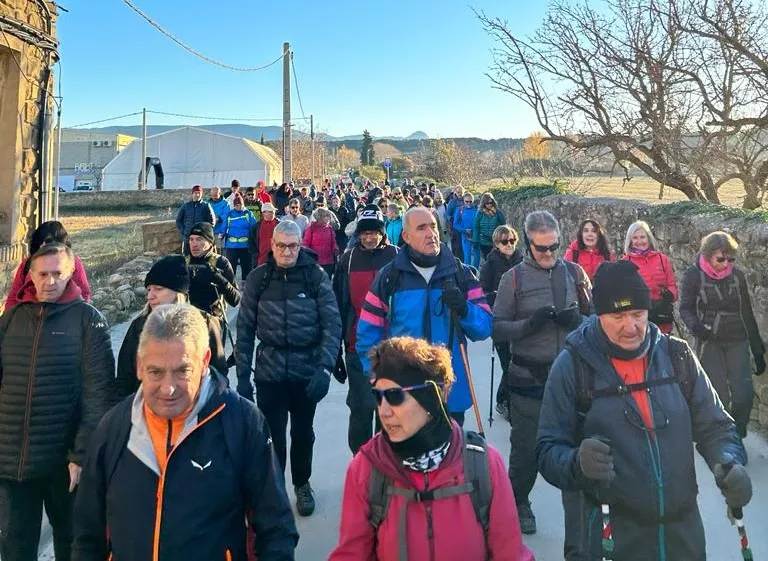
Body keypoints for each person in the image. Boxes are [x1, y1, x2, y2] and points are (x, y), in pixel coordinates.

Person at [536, 260, 751, 560]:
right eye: (618, 316)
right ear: (599, 314)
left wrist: (729, 461)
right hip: (612, 537)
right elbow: (547, 450)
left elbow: (716, 427)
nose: (630, 326)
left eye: (638, 314)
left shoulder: (678, 356)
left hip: (683, 537)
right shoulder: (573, 366)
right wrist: (576, 463)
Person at [73, 304, 299, 561]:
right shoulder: (113, 428)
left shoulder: (243, 423)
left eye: (182, 371)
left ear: (204, 361)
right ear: (139, 366)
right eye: (155, 372)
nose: (168, 388)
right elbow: (87, 534)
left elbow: (276, 527)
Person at [328, 337, 535, 561]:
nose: (383, 411)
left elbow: (510, 553)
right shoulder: (366, 468)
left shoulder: (484, 465)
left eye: (395, 396)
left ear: (430, 398)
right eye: (378, 396)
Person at [0, 243, 114, 561]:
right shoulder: (11, 319)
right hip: (12, 463)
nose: (50, 281)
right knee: (14, 547)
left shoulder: (88, 320)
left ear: (71, 274)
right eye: (43, 274)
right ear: (30, 275)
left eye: (58, 274)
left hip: (64, 464)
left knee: (72, 544)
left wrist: (81, 454)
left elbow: (99, 395)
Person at [492, 210, 591, 548]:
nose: (549, 253)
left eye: (554, 246)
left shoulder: (575, 273)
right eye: (541, 248)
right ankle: (518, 501)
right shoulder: (513, 280)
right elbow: (497, 328)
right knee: (526, 451)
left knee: (577, 448)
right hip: (528, 380)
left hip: (572, 379)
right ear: (528, 243)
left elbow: (596, 322)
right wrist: (529, 325)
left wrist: (578, 321)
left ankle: (581, 516)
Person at [236, 220, 342, 517]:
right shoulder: (258, 279)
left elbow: (332, 323)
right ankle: (274, 488)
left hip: (305, 369)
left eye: (292, 246)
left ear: (300, 245)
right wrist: (242, 374)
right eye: (281, 246)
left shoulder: (315, 276)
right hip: (269, 370)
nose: (286, 252)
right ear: (272, 245)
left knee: (303, 433)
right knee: (272, 435)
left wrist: (325, 368)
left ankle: (302, 483)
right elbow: (245, 327)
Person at [357, 207, 493, 425]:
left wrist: (465, 309)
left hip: (450, 394)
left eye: (433, 226)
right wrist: (378, 378)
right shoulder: (389, 277)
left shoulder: (460, 274)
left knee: (450, 448)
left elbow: (485, 327)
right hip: (403, 394)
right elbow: (368, 333)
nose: (431, 233)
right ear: (406, 236)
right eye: (421, 228)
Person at [679, 231, 766, 442]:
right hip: (710, 341)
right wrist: (697, 327)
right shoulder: (694, 275)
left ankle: (737, 434)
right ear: (708, 255)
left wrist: (757, 350)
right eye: (720, 259)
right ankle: (724, 441)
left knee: (744, 395)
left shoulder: (737, 276)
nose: (726, 263)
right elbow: (685, 308)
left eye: (730, 259)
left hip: (737, 339)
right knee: (719, 396)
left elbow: (746, 312)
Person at [332, 205, 398, 453]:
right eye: (364, 233)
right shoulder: (348, 260)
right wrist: (335, 351)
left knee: (389, 410)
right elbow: (338, 304)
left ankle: (386, 463)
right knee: (361, 408)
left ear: (382, 233)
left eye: (374, 233)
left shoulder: (397, 256)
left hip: (392, 348)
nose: (369, 238)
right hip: (356, 346)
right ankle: (361, 462)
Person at [115, 255, 226, 401]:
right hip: (147, 409)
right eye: (149, 290)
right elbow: (124, 380)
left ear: (178, 292)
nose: (150, 296)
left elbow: (219, 378)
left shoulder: (205, 324)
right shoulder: (139, 326)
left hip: (195, 409)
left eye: (158, 289)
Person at [479, 225, 523, 420]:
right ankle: (505, 402)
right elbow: (481, 294)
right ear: (497, 244)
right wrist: (495, 296)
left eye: (512, 240)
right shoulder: (489, 266)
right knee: (508, 364)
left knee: (517, 362)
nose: (509, 244)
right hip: (501, 322)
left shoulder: (523, 261)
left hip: (521, 320)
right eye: (505, 241)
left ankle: (507, 399)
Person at [5, 220, 91, 311]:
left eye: (48, 241)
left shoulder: (72, 262)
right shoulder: (27, 263)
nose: (43, 245)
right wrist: (8, 317)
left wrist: (74, 315)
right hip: (28, 315)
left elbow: (84, 293)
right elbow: (14, 296)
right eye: (40, 241)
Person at [186, 222, 241, 339]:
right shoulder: (184, 263)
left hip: (213, 324)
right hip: (189, 323)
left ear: (210, 242)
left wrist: (219, 279)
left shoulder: (220, 262)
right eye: (191, 239)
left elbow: (235, 300)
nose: (194, 244)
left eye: (199, 239)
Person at [621, 221, 678, 334]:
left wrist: (670, 294)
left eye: (642, 237)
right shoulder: (625, 262)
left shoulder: (662, 259)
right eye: (635, 238)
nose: (639, 241)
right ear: (630, 241)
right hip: (639, 321)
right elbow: (621, 295)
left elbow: (672, 285)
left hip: (662, 319)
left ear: (649, 238)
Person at [224, 194, 257, 283]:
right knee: (231, 267)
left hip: (245, 245)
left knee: (246, 266)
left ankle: (246, 283)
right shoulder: (230, 214)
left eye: (240, 205)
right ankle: (230, 284)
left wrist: (254, 239)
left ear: (243, 204)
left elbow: (253, 227)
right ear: (234, 205)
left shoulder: (248, 213)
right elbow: (225, 225)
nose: (239, 207)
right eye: (237, 205)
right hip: (232, 245)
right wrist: (222, 233)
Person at [176, 185, 215, 254]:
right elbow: (178, 220)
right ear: (192, 194)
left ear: (201, 194)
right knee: (187, 257)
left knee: (201, 257)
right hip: (188, 238)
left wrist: (204, 232)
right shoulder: (186, 206)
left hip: (201, 239)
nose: (197, 195)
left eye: (199, 193)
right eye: (195, 193)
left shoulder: (206, 206)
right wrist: (184, 231)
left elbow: (212, 222)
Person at [303, 207, 339, 278]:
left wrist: (335, 249)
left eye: (329, 216)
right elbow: (306, 243)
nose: (329, 218)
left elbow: (333, 242)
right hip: (315, 261)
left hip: (328, 262)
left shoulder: (330, 228)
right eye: (326, 216)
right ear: (320, 217)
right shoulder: (311, 228)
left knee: (327, 281)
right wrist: (307, 257)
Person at [472, 192, 506, 261]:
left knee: (497, 259)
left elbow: (503, 226)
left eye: (491, 203)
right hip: (484, 241)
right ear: (484, 204)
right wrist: (475, 240)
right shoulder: (480, 213)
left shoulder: (498, 212)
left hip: (495, 241)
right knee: (487, 259)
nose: (490, 205)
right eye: (487, 203)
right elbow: (476, 227)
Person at [453, 192, 479, 269]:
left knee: (476, 256)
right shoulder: (460, 209)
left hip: (476, 235)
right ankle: (467, 272)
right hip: (465, 236)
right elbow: (455, 223)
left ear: (473, 201)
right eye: (466, 201)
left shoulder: (477, 209)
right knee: (467, 256)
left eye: (470, 201)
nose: (468, 203)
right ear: (463, 201)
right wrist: (464, 230)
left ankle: (476, 272)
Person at [248, 202, 278, 267]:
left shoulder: (279, 224)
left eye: (273, 212)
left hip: (277, 260)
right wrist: (255, 254)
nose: (273, 213)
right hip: (261, 260)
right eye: (271, 212)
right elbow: (251, 242)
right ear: (264, 213)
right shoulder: (256, 227)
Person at [445, 185, 466, 262]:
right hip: (455, 227)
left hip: (464, 226)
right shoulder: (452, 202)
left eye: (461, 192)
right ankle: (457, 263)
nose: (459, 194)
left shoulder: (466, 200)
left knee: (464, 248)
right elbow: (447, 214)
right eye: (458, 192)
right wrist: (451, 219)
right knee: (456, 247)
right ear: (455, 193)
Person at [208, 187, 231, 252]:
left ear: (220, 193)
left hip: (219, 232)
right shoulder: (208, 203)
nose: (213, 197)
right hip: (209, 231)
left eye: (215, 195)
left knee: (219, 252)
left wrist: (222, 232)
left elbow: (226, 217)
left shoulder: (225, 203)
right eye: (212, 195)